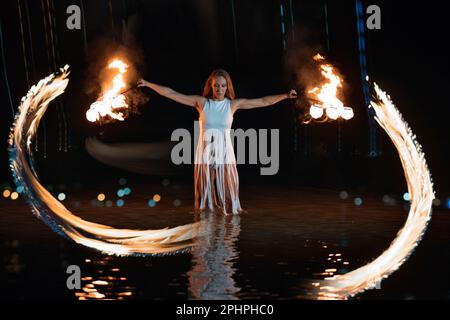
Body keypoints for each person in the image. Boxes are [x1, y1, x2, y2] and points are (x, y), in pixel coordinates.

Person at [137, 69, 297, 214]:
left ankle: (229, 225)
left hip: (225, 152)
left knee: (229, 193)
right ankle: (206, 224)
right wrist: (148, 84)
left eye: (223, 86)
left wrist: (285, 96)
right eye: (216, 86)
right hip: (205, 152)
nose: (219, 89)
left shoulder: (232, 105)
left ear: (227, 87)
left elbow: (263, 101)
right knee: (205, 197)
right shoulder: (202, 103)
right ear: (211, 86)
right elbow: (171, 93)